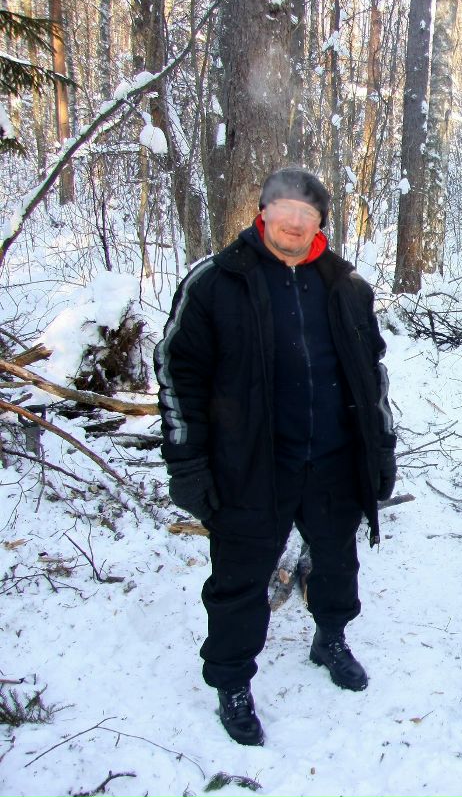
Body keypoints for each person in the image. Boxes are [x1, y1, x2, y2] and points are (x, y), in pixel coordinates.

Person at [155, 168, 397, 747]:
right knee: (238, 580)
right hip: (249, 467)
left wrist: (381, 449)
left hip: (334, 460)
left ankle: (330, 638)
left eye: (306, 213)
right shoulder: (217, 281)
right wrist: (187, 463)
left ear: (320, 224)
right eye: (284, 208)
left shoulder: (346, 286)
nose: (293, 221)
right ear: (262, 212)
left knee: (337, 562)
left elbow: (373, 375)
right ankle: (232, 682)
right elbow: (176, 372)